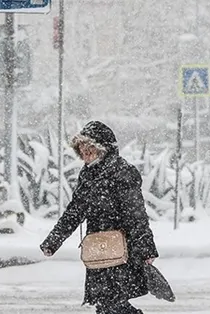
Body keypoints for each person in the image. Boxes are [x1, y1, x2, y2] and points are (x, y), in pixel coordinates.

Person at [40, 121, 158, 314]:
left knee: (113, 303)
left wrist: (145, 249)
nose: (85, 155)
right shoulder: (87, 174)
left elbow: (136, 214)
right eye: (82, 151)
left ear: (102, 149)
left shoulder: (122, 172)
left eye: (90, 150)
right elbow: (75, 211)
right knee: (104, 305)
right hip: (98, 249)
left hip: (122, 249)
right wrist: (53, 241)